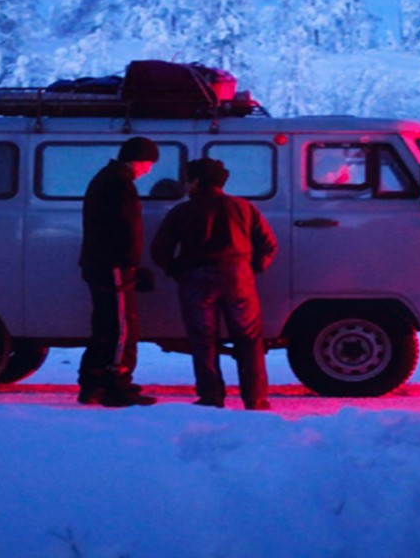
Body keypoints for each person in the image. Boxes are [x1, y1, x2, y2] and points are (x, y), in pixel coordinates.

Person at [151, 157, 278, 410]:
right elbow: (268, 244)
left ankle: (211, 396)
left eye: (188, 180)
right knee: (249, 339)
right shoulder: (243, 207)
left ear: (196, 181)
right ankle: (255, 398)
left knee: (203, 340)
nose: (186, 185)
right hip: (238, 278)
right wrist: (252, 268)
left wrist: (177, 271)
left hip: (196, 281)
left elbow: (160, 249)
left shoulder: (182, 212)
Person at [77, 136, 160, 407]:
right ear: (138, 160)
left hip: (99, 263)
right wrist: (130, 264)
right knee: (122, 325)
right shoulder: (120, 184)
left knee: (104, 323)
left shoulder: (105, 179)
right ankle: (117, 383)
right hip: (114, 266)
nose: (149, 170)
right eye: (149, 163)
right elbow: (125, 229)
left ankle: (92, 383)